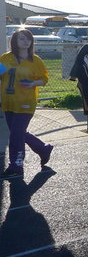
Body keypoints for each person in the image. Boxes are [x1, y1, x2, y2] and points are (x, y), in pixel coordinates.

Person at [0, 29, 54, 179]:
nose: (26, 41)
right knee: (18, 133)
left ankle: (16, 165)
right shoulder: (6, 58)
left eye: (28, 39)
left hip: (26, 102)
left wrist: (32, 83)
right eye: (22, 39)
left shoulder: (35, 60)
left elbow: (44, 79)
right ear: (15, 41)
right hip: (9, 102)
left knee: (16, 135)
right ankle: (43, 149)